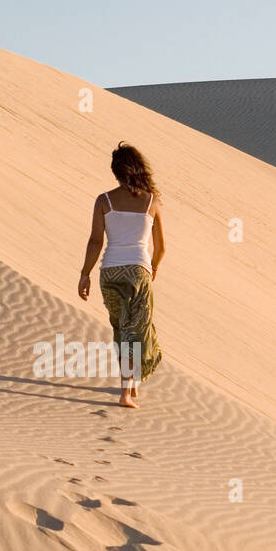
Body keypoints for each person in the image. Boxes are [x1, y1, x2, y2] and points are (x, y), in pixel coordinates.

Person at [78, 141, 164, 408]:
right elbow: (161, 248)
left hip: (110, 273)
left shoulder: (103, 201)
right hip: (139, 272)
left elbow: (95, 241)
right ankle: (128, 389)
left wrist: (85, 274)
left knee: (121, 328)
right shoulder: (152, 202)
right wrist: (152, 269)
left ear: (117, 172)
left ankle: (130, 386)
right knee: (137, 329)